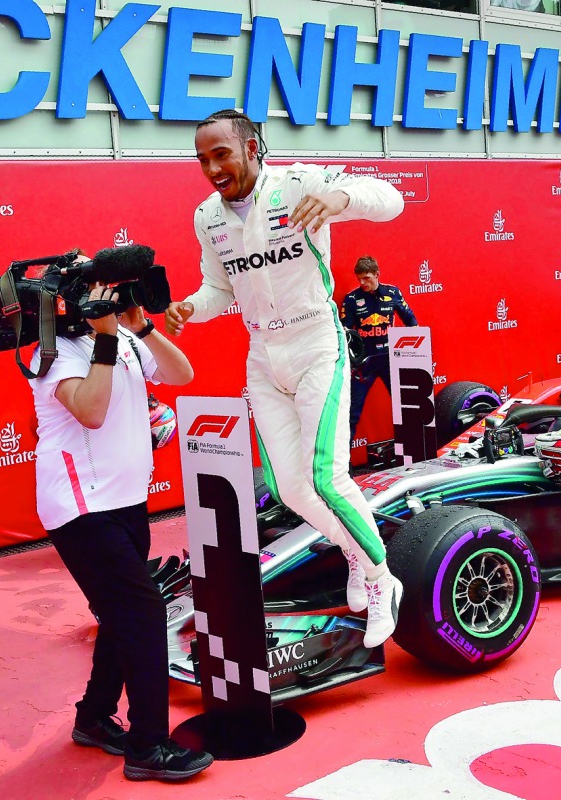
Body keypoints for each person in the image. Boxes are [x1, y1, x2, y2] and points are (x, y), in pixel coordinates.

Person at [165, 109, 406, 648]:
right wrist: (188, 308)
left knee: (326, 477)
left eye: (221, 154)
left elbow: (391, 199)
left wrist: (342, 199)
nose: (211, 168)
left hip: (318, 343)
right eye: (202, 159)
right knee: (287, 488)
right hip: (263, 355)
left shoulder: (298, 181)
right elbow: (219, 291)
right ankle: (353, 552)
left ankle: (382, 578)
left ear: (252, 148)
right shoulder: (207, 216)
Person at [32, 276, 210, 781]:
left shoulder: (125, 337)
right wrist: (107, 336)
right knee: (144, 615)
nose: (110, 298)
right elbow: (89, 411)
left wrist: (142, 328)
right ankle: (148, 746)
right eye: (97, 291)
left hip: (127, 500)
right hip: (81, 506)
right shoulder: (53, 350)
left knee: (120, 613)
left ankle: (92, 717)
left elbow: (181, 373)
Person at [341, 255, 418, 437]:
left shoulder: (392, 293)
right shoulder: (351, 299)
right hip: (364, 364)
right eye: (359, 278)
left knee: (406, 407)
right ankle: (344, 463)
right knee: (352, 413)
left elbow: (411, 322)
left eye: (366, 278)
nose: (362, 282)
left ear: (377, 275)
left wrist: (413, 352)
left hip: (390, 360)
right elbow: (345, 332)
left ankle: (413, 452)